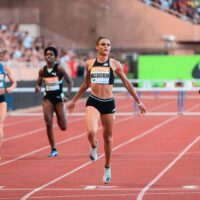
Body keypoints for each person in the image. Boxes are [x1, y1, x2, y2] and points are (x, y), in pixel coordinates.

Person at [68, 37, 146, 184]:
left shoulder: (115, 64)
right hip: (94, 101)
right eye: (103, 44)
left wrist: (139, 102)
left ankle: (107, 167)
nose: (106, 47)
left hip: (108, 104)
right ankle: (93, 146)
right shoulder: (89, 64)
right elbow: (86, 84)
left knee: (108, 138)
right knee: (91, 132)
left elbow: (127, 84)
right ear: (97, 47)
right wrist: (74, 100)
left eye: (108, 45)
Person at [35, 46, 73, 157]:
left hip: (59, 99)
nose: (48, 56)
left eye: (51, 54)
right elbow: (38, 83)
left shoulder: (59, 68)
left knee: (63, 127)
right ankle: (53, 148)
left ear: (55, 57)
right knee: (48, 123)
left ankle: (61, 116)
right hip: (47, 99)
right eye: (47, 54)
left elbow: (70, 82)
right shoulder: (42, 70)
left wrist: (67, 95)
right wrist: (37, 87)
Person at [0, 49, 17, 160]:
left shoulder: (4, 68)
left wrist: (11, 87)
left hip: (1, 99)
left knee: (0, 124)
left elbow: (14, 82)